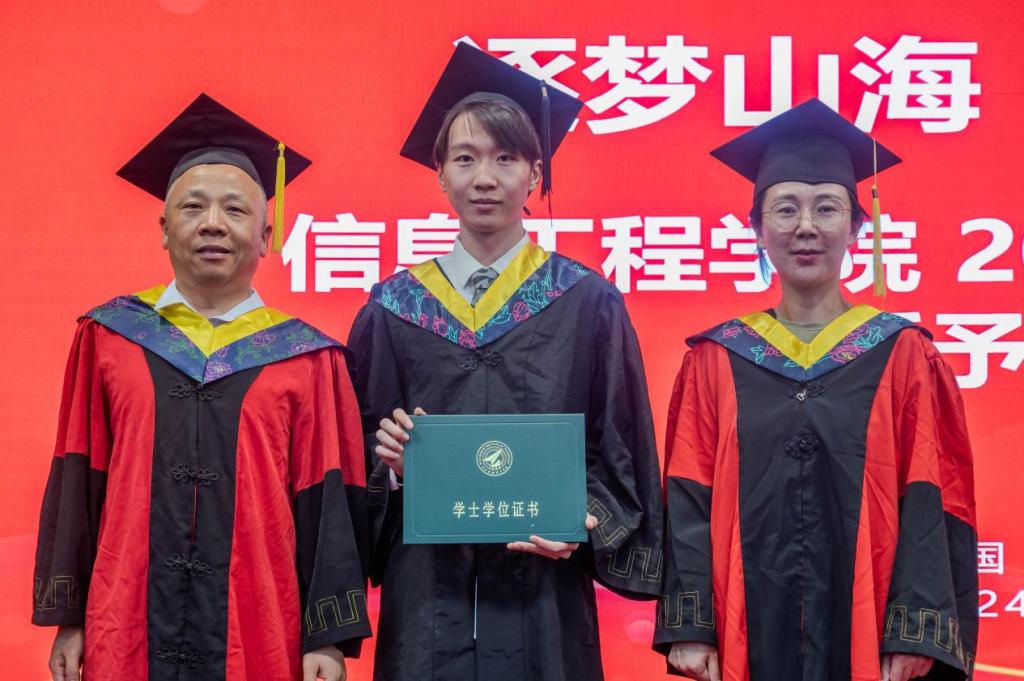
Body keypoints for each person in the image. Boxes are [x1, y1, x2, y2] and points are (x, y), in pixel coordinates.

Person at [347, 44, 663, 681]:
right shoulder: (393, 307)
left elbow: (621, 443)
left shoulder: (586, 301)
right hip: (427, 601)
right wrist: (395, 469)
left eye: (506, 158)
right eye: (465, 159)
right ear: (440, 175)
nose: (484, 178)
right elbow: (353, 453)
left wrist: (585, 518)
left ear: (535, 175)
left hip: (544, 600)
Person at [32, 93, 370, 681]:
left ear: (265, 235)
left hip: (260, 624)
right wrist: (70, 616)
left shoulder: (309, 358)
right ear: (165, 230)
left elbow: (329, 505)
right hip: (124, 617)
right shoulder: (109, 337)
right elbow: (79, 477)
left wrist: (329, 638)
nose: (213, 222)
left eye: (235, 209)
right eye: (193, 206)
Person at [652, 99, 978, 681]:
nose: (806, 226)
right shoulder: (716, 359)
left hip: (869, 622)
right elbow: (688, 496)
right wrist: (691, 625)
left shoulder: (903, 353)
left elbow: (933, 494)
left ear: (857, 227)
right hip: (744, 626)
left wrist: (914, 627)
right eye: (785, 209)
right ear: (757, 230)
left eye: (827, 207)